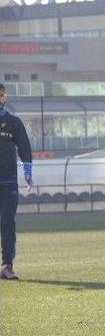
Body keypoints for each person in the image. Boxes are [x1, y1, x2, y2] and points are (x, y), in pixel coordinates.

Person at [0, 83, 33, 280]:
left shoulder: (14, 122)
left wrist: (28, 172)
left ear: (4, 98)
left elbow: (25, 148)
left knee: (6, 221)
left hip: (8, 181)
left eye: (1, 95)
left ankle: (7, 265)